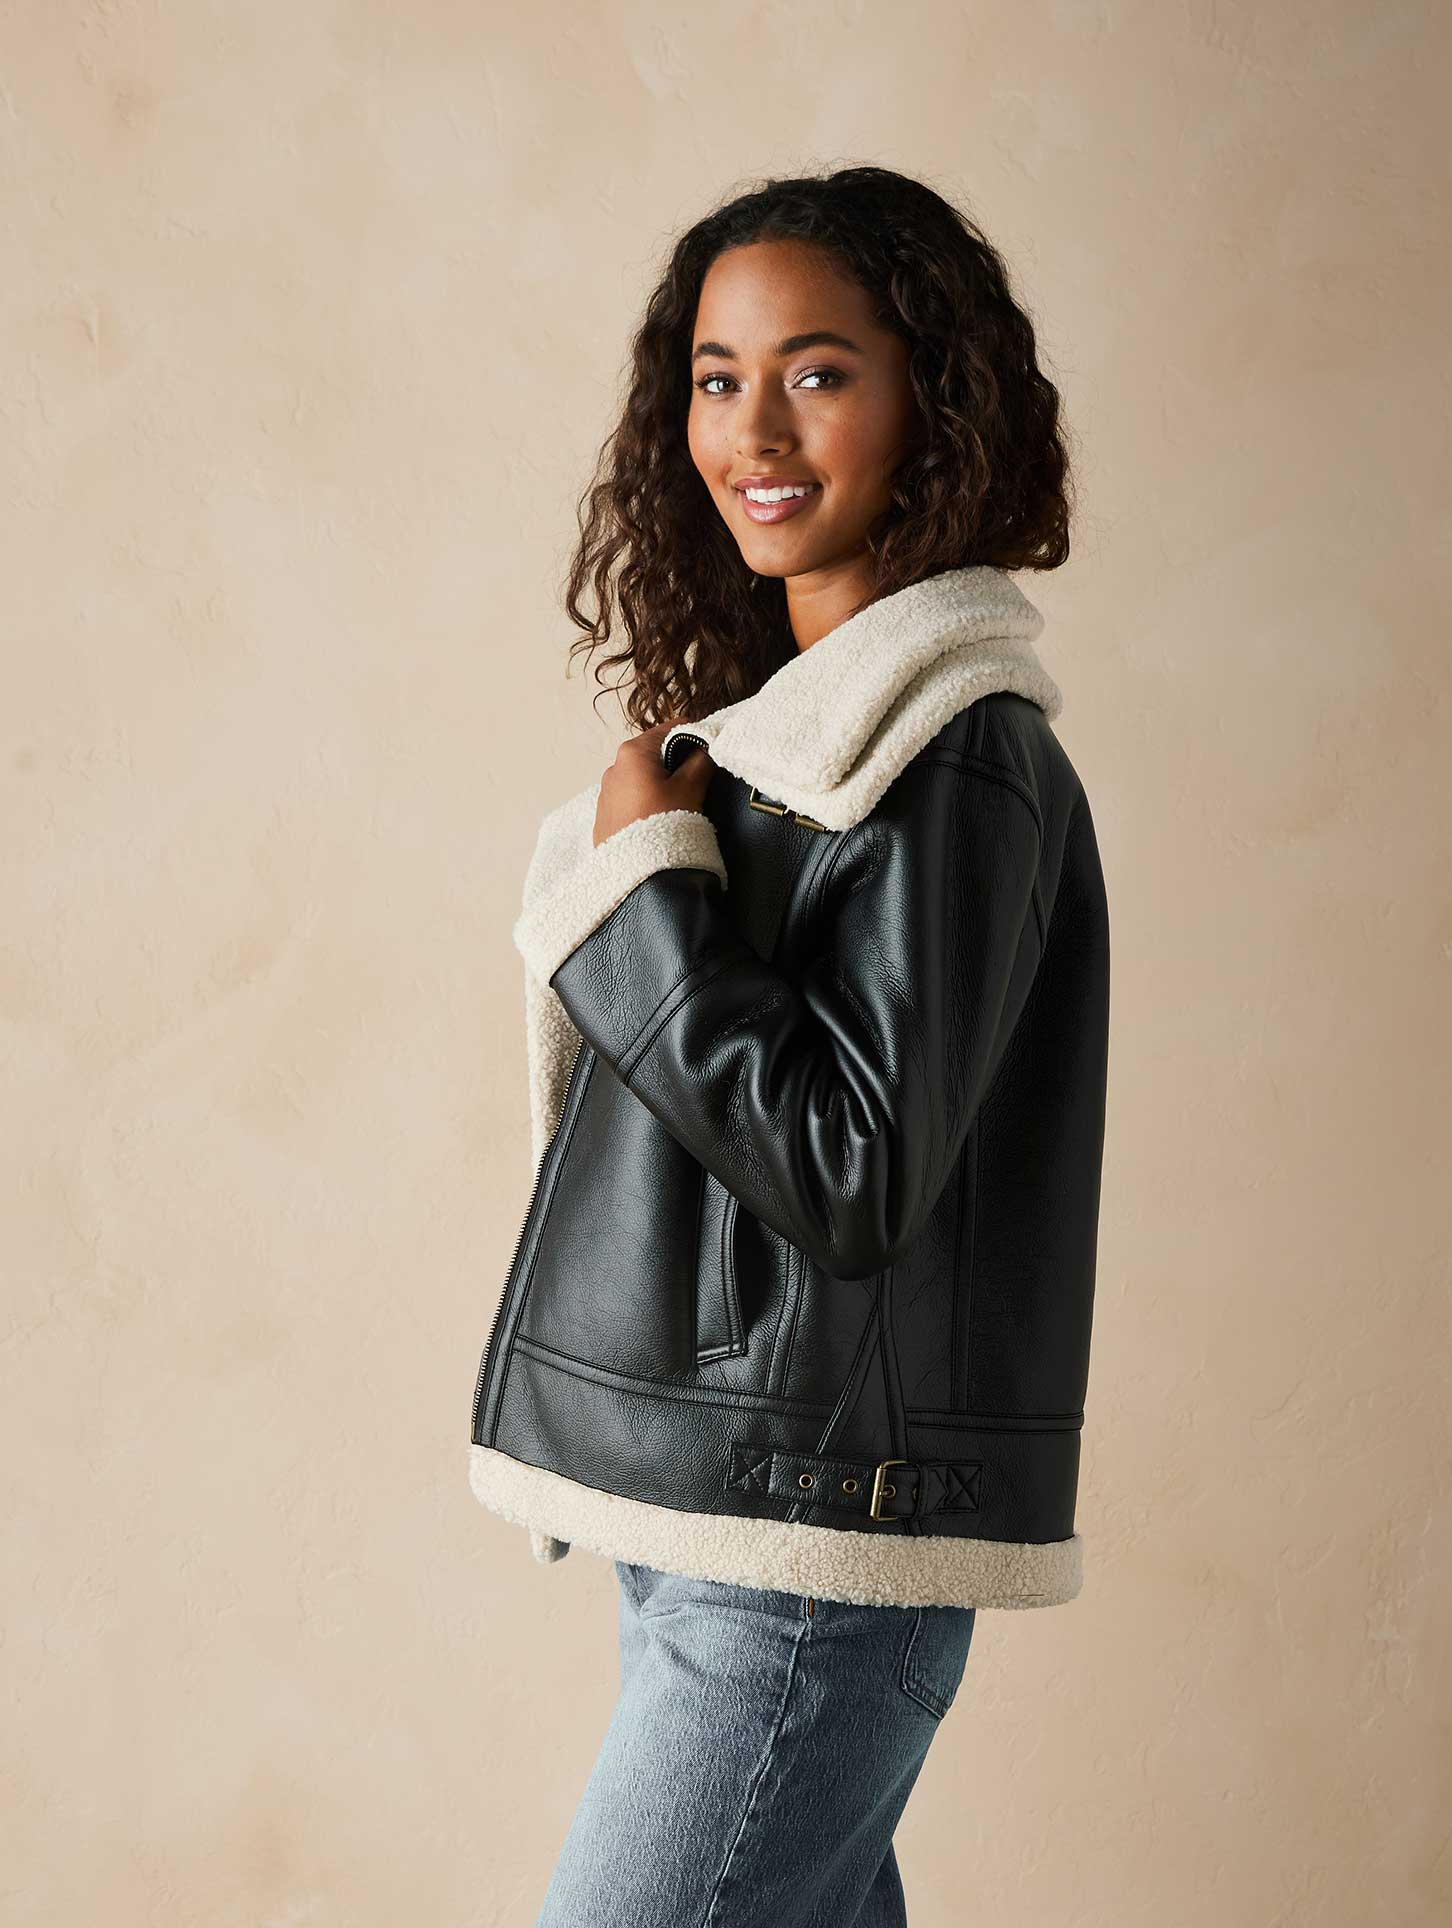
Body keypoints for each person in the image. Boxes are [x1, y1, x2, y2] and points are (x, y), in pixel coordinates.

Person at [468, 163, 1111, 1927]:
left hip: (812, 1558)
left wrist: (646, 897)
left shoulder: (956, 757)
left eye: (818, 372)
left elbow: (852, 1169)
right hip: (730, 1527)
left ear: (934, 400)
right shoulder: (780, 750)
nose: (753, 429)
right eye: (716, 377)